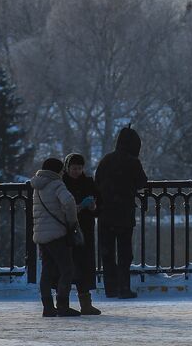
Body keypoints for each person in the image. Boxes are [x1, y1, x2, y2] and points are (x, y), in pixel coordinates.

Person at [93, 126, 147, 299]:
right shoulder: (133, 162)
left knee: (107, 252)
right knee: (124, 252)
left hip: (105, 213)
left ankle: (110, 288)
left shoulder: (106, 160)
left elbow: (97, 181)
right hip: (124, 212)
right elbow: (141, 182)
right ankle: (124, 288)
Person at [30, 156, 80, 318]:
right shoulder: (57, 183)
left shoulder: (37, 186)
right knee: (67, 269)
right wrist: (72, 221)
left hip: (41, 235)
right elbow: (69, 202)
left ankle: (48, 307)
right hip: (57, 233)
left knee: (46, 271)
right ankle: (63, 306)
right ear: (58, 171)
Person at [61, 152, 102, 315]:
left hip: (84, 229)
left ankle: (85, 303)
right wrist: (79, 207)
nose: (77, 171)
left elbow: (99, 205)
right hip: (67, 229)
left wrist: (93, 207)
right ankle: (63, 302)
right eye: (74, 168)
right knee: (67, 265)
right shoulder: (62, 184)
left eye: (79, 168)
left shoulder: (88, 183)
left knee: (83, 265)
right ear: (67, 168)